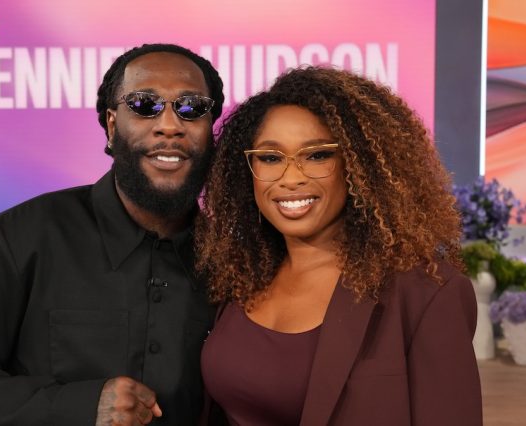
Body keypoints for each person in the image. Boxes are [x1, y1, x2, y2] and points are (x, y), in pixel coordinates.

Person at [0, 43, 225, 425]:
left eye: (192, 108)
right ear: (112, 125)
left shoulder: (232, 258)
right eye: (145, 105)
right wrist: (79, 406)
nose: (170, 125)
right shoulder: (20, 238)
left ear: (210, 131)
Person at [195, 66, 482, 426]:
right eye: (270, 158)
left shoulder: (425, 292)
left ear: (358, 165)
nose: (291, 178)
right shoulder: (241, 274)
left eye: (317, 155)